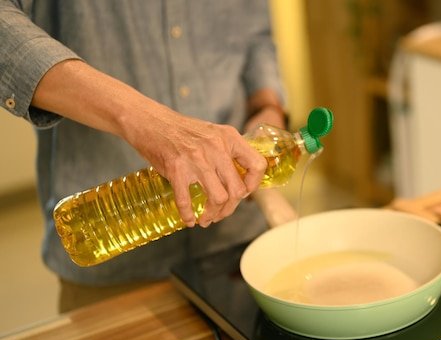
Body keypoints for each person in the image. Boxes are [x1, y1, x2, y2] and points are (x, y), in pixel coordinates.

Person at [0, 0, 288, 311]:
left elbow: (255, 32)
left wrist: (266, 106)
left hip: (235, 246)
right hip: (110, 248)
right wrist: (142, 120)